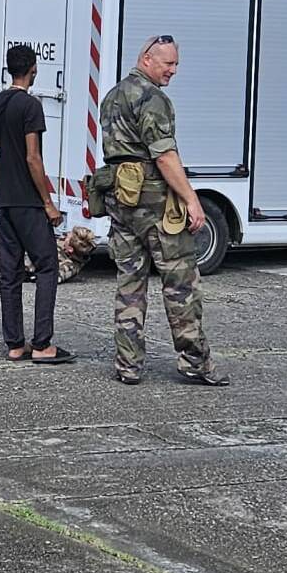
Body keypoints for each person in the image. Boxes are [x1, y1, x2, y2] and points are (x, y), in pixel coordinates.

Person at [100, 34, 228, 387]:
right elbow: (165, 155)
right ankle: (195, 362)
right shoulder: (153, 99)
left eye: (176, 65)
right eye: (168, 64)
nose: (173, 71)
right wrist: (191, 199)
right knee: (180, 282)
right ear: (147, 59)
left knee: (130, 283)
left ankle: (127, 365)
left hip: (121, 199)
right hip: (155, 203)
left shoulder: (112, 96)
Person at [0, 45, 73, 365]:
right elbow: (33, 157)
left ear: (10, 69)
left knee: (10, 273)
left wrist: (2, 183)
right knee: (47, 265)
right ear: (33, 69)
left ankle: (14, 344)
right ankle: (42, 344)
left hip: (4, 203)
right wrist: (48, 202)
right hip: (28, 204)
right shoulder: (31, 105)